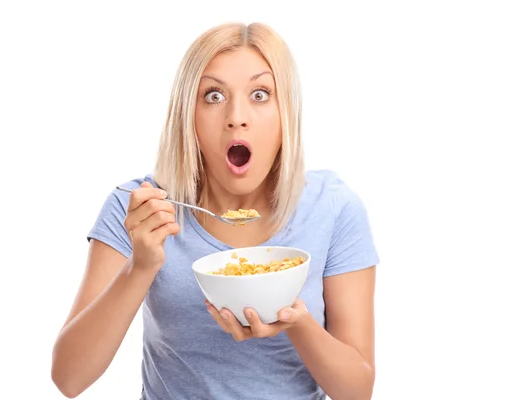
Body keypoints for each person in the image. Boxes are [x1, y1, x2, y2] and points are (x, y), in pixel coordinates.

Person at [51, 22, 380, 400]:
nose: (236, 117)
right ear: (187, 115)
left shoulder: (334, 208)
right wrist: (140, 266)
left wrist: (295, 321)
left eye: (260, 94)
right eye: (212, 96)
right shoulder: (139, 207)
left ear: (285, 113)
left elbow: (357, 391)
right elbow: (69, 378)